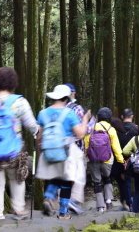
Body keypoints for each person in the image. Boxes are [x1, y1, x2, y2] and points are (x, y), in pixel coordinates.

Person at [0, 67, 39, 220]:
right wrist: (37, 133)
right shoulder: (19, 102)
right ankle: (19, 209)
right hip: (14, 151)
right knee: (17, 179)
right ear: (14, 83)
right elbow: (32, 125)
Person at [36, 84, 90, 220]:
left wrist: (40, 150)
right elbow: (80, 134)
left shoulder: (43, 113)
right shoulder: (69, 113)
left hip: (48, 151)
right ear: (66, 98)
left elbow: (39, 136)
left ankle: (48, 197)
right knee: (66, 180)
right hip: (65, 151)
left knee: (55, 178)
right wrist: (85, 120)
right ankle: (63, 213)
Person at [85, 107, 124, 212]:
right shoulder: (111, 129)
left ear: (98, 116)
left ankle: (100, 206)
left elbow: (86, 144)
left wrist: (86, 155)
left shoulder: (91, 127)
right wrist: (121, 161)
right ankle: (108, 200)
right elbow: (116, 147)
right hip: (107, 160)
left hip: (93, 159)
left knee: (97, 182)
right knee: (107, 178)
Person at [64, 83, 88, 215]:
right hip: (75, 146)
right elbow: (82, 131)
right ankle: (73, 201)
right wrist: (87, 121)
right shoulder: (77, 109)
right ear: (73, 93)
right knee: (79, 175)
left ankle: (62, 202)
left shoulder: (55, 109)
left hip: (59, 148)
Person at [110, 108, 138, 211]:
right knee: (131, 181)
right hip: (132, 159)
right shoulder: (136, 129)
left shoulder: (116, 129)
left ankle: (124, 201)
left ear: (122, 117)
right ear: (132, 116)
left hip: (118, 159)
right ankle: (131, 202)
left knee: (122, 182)